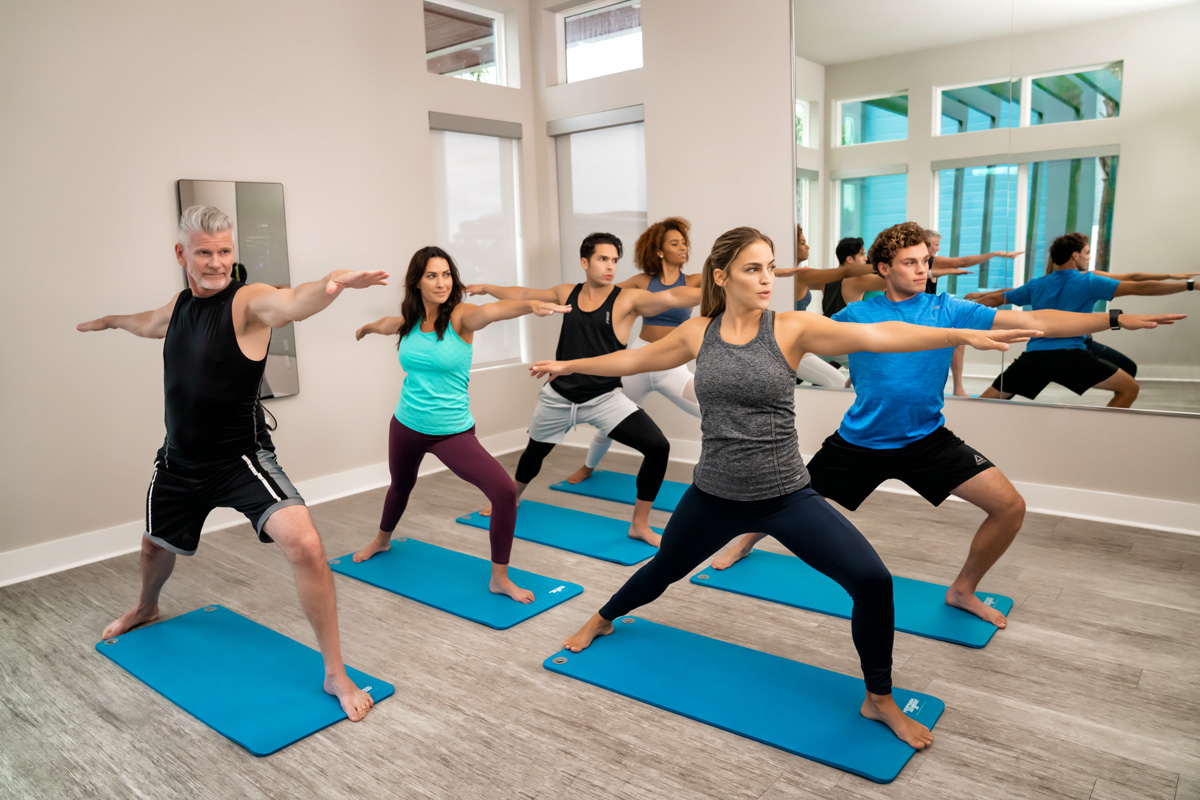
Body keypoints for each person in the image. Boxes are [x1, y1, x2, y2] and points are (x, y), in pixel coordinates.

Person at [533, 225, 1042, 748]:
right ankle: (603, 617)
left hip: (784, 495)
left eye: (771, 267)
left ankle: (879, 697)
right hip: (713, 493)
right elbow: (633, 359)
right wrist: (569, 363)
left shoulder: (791, 328)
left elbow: (877, 335)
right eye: (754, 268)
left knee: (872, 581)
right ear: (722, 276)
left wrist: (955, 334)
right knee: (664, 568)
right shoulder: (696, 333)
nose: (766, 278)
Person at [712, 222, 1183, 627]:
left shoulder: (948, 310)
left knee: (1010, 507)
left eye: (925, 261)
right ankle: (745, 540)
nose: (923, 270)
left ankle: (962, 589)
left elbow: (1038, 319)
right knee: (789, 500)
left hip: (925, 440)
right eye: (911, 262)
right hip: (860, 441)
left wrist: (1113, 318)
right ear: (884, 269)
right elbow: (787, 335)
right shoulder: (858, 314)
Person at [77, 206, 389, 721]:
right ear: (182, 254)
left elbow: (289, 302)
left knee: (306, 544)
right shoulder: (178, 306)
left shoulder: (246, 302)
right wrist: (111, 320)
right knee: (154, 547)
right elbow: (146, 324)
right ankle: (147, 606)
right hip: (178, 462)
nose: (217, 262)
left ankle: (335, 670)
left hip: (239, 459)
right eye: (204, 252)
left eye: (225, 251)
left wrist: (333, 283)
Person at [351, 246, 571, 603]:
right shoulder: (407, 323)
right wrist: (366, 328)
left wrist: (529, 306)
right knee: (400, 486)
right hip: (406, 425)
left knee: (502, 492)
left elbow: (493, 311)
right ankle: (382, 539)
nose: (441, 283)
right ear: (417, 282)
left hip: (450, 432)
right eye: (432, 275)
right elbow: (385, 325)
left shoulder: (461, 318)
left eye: (446, 274)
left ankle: (499, 577)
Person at [466, 232, 701, 547]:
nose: (610, 267)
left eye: (615, 260)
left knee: (658, 447)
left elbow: (674, 298)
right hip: (560, 396)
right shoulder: (567, 293)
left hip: (605, 398)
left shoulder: (626, 299)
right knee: (534, 455)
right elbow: (524, 293)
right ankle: (511, 498)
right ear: (584, 262)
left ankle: (639, 524)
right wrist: (487, 288)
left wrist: (727, 285)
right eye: (603, 259)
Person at [975, 232, 1194, 407]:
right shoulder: (1089, 281)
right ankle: (1100, 434)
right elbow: (1141, 287)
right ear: (1074, 255)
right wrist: (1191, 285)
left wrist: (964, 309)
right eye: (1087, 253)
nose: (1089, 257)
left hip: (1035, 356)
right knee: (1130, 388)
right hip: (1070, 355)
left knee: (986, 400)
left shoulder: (1037, 284)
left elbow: (996, 298)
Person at [564, 218, 702, 485]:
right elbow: (602, 292)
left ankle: (714, 476)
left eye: (684, 243)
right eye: (675, 243)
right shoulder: (642, 282)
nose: (684, 248)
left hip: (671, 367)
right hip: (637, 361)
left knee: (712, 411)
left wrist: (770, 272)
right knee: (609, 420)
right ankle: (588, 466)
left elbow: (728, 279)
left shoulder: (694, 281)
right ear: (659, 251)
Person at [924, 229, 1024, 397]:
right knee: (957, 338)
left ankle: (958, 388)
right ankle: (957, 388)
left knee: (958, 339)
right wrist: (994, 254)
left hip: (929, 312)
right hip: (924, 316)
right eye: (935, 245)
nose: (938, 249)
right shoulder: (930, 262)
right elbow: (963, 261)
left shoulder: (930, 265)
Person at [774, 228, 875, 387]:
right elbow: (846, 272)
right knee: (836, 379)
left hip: (810, 339)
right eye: (802, 243)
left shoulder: (799, 274)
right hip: (795, 343)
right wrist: (890, 265)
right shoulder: (798, 275)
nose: (807, 247)